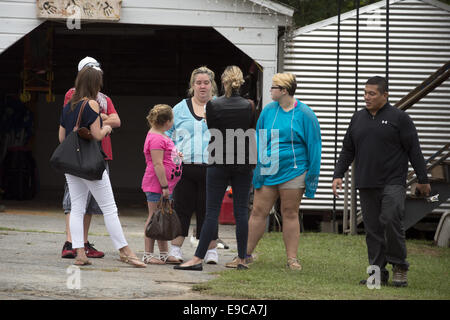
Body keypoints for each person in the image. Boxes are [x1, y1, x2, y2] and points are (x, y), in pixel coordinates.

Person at [332, 76, 430, 287]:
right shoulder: (357, 118)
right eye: (365, 93)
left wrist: (423, 179)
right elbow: (348, 149)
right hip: (366, 182)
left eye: (372, 93)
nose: (366, 97)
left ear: (385, 95)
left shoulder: (400, 118)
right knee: (373, 230)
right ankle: (377, 274)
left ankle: (399, 267)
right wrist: (338, 175)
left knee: (390, 218)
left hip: (393, 181)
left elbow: (414, 149)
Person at [59, 65, 145, 268]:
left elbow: (62, 137)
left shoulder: (68, 105)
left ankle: (80, 253)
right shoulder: (93, 105)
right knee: (109, 207)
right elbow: (97, 135)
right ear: (94, 84)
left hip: (71, 165)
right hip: (91, 163)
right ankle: (125, 250)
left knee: (77, 207)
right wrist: (106, 128)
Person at [174, 65, 256, 271]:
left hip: (218, 161)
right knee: (241, 212)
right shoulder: (249, 105)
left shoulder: (214, 105)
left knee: (211, 212)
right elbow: (249, 130)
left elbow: (212, 131)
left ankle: (197, 258)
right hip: (243, 162)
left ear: (222, 83)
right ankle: (242, 258)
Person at [245, 73, 322, 271]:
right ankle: (245, 254)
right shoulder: (268, 111)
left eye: (273, 87)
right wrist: (259, 167)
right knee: (258, 211)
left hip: (294, 170)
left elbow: (314, 145)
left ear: (284, 90)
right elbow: (260, 139)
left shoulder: (305, 113)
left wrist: (312, 175)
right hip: (269, 168)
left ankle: (292, 259)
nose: (270, 90)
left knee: (289, 212)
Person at [61, 57, 121, 260]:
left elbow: (118, 120)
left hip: (93, 156)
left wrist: (99, 118)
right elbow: (100, 127)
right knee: (99, 206)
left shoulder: (103, 99)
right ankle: (72, 243)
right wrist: (104, 122)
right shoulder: (74, 95)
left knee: (85, 204)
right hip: (85, 155)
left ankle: (81, 246)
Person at [165, 66, 219, 264]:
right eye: (198, 83)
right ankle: (176, 249)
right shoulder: (179, 108)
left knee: (209, 210)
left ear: (212, 85)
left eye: (206, 82)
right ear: (192, 85)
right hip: (184, 168)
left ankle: (211, 251)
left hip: (212, 168)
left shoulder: (219, 106)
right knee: (181, 209)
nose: (202, 86)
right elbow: (166, 134)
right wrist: (172, 153)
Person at [141, 104, 183, 264]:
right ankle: (148, 254)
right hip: (157, 185)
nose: (173, 122)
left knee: (162, 218)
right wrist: (164, 187)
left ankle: (164, 253)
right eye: (172, 119)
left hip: (166, 185)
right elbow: (158, 164)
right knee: (153, 218)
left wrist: (177, 157)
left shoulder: (161, 135)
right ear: (166, 122)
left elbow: (167, 159)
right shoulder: (156, 138)